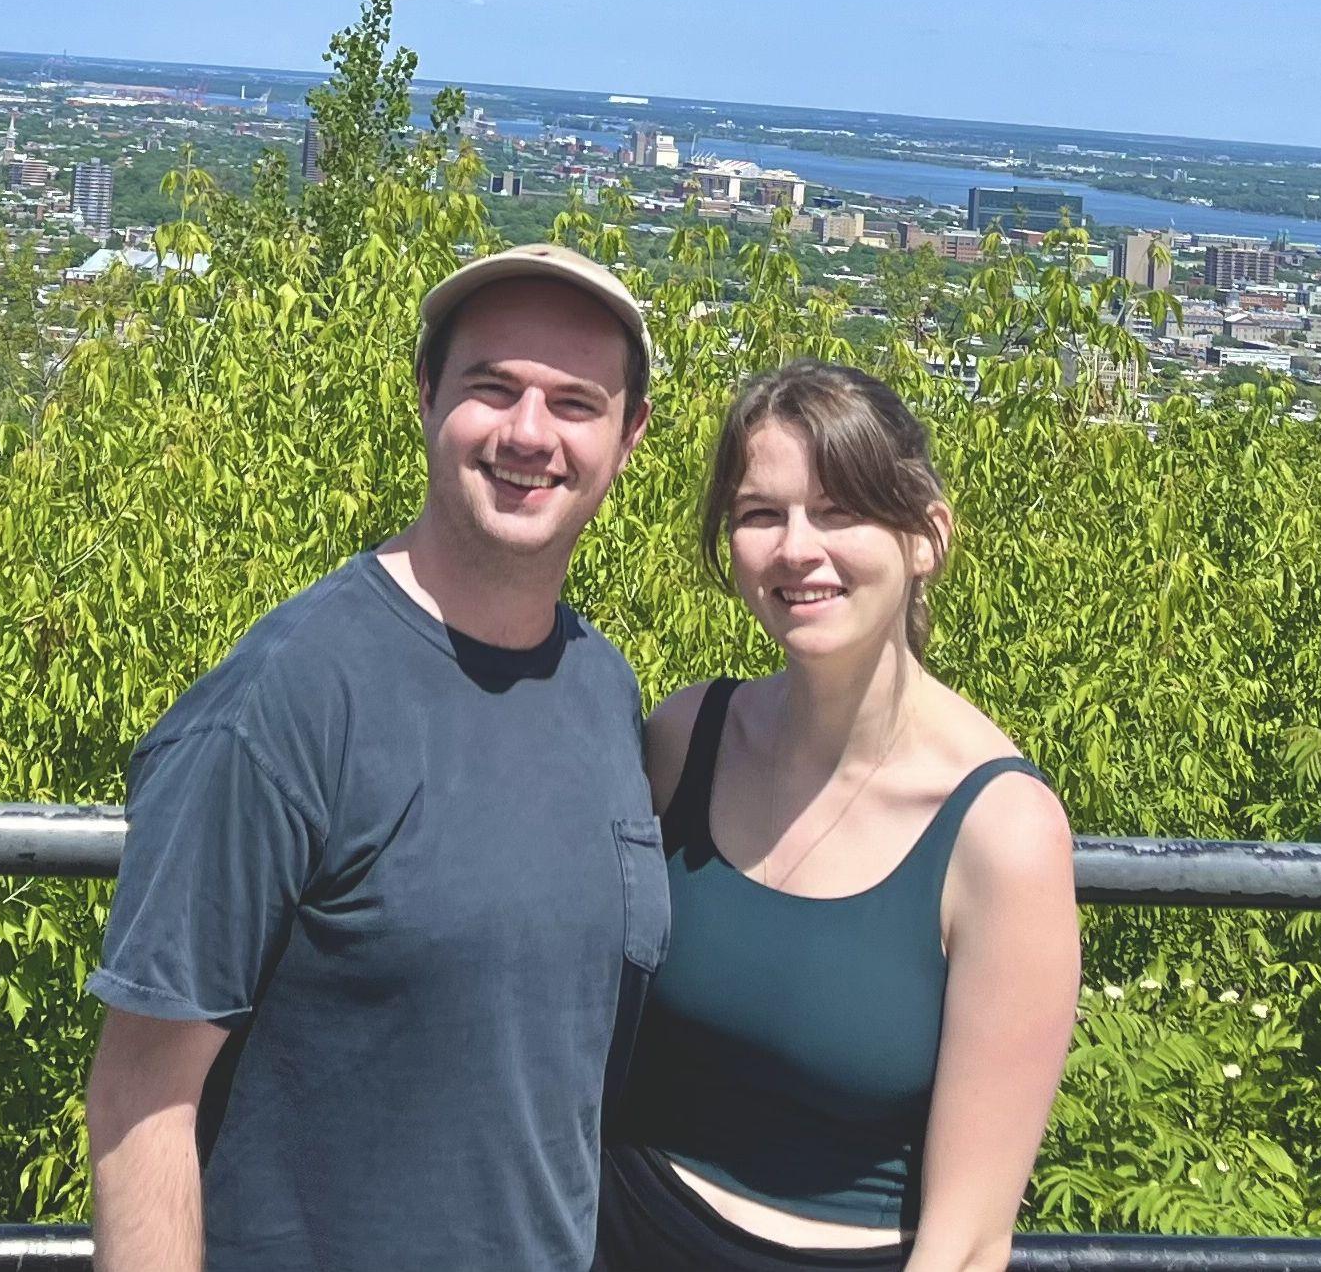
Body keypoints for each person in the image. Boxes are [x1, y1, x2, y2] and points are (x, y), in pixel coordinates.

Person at [84, 243, 666, 1272]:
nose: (530, 434)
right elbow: (141, 1102)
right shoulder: (292, 698)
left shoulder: (602, 686)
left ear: (628, 439)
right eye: (494, 388)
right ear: (427, 396)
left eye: (575, 403)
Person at [596, 358, 1080, 1272]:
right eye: (759, 513)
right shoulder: (681, 739)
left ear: (928, 536)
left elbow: (970, 1240)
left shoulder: (999, 831)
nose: (796, 548)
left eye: (840, 510)